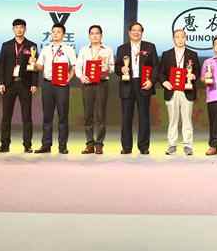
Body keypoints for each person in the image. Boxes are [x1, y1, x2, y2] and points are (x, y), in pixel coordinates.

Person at [114, 22, 158, 154]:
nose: (136, 32)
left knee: (144, 117)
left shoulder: (150, 47)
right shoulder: (122, 48)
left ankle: (144, 147)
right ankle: (126, 147)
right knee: (126, 117)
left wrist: (151, 81)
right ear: (129, 33)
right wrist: (121, 69)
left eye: (139, 30)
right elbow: (117, 67)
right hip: (127, 84)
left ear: (142, 33)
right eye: (133, 30)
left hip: (144, 83)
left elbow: (156, 66)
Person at [0, 18, 38, 153]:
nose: (19, 30)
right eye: (16, 27)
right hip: (9, 84)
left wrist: (34, 83)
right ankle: (4, 145)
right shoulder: (6, 45)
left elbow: (34, 66)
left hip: (25, 84)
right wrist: (1, 82)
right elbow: (1, 65)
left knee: (27, 116)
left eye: (21, 27)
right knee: (6, 116)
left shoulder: (32, 46)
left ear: (25, 29)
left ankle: (27, 145)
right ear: (13, 29)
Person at [34, 24, 77, 154]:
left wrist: (69, 78)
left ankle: (62, 146)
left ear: (63, 34)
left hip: (62, 85)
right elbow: (39, 66)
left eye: (58, 32)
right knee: (47, 116)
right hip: (47, 84)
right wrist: (33, 63)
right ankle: (46, 145)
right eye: (53, 32)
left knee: (62, 116)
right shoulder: (46, 49)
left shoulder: (69, 49)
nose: (55, 34)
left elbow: (74, 66)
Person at [158, 29, 201, 155]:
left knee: (187, 119)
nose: (180, 39)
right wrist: (164, 82)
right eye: (177, 37)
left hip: (187, 90)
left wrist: (193, 76)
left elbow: (197, 71)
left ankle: (188, 145)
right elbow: (161, 72)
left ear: (186, 38)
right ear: (173, 39)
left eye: (182, 37)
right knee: (173, 119)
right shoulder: (166, 54)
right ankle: (172, 145)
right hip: (172, 90)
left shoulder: (192, 54)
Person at [75, 25, 115, 154]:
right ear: (89, 36)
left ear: (101, 35)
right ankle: (89, 144)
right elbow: (78, 67)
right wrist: (81, 77)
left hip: (102, 83)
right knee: (88, 115)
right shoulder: (83, 50)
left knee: (100, 114)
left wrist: (105, 68)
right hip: (87, 84)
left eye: (97, 33)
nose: (95, 36)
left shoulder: (107, 50)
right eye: (92, 33)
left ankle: (99, 144)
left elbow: (112, 68)